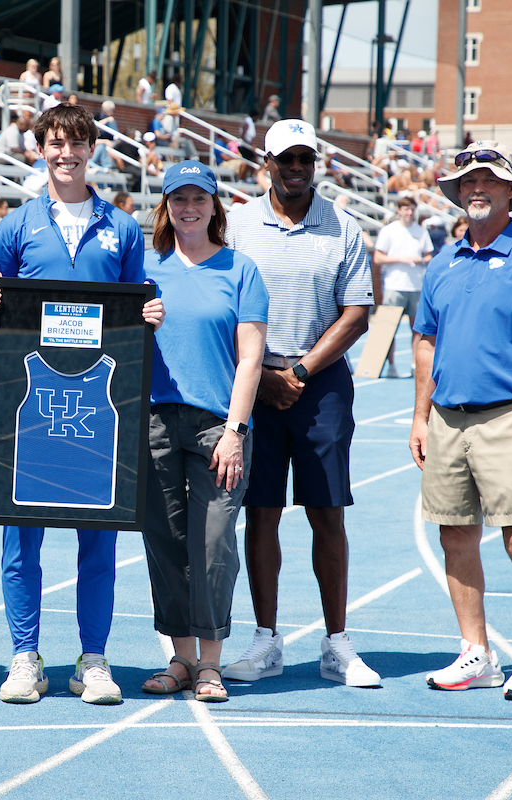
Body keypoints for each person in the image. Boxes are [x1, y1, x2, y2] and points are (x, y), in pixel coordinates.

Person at [0, 104, 164, 705]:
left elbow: (139, 303)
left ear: (93, 150)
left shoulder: (123, 227)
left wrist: (150, 314)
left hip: (97, 407)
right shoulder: (15, 226)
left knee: (99, 535)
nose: (67, 154)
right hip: (32, 406)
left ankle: (93, 660)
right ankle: (25, 656)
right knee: (22, 536)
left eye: (77, 144)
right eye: (56, 144)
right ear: (40, 149)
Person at [222, 119, 381, 689]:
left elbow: (358, 313)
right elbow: (223, 305)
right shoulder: (236, 223)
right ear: (265, 162)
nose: (295, 170)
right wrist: (263, 376)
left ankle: (337, 643)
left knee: (326, 512)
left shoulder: (343, 226)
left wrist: (299, 371)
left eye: (304, 161)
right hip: (253, 384)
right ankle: (266, 641)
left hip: (320, 386)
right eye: (285, 160)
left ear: (316, 164)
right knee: (260, 512)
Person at [410, 141, 512, 701]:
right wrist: (420, 417)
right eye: (467, 183)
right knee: (455, 536)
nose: (476, 189)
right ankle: (475, 652)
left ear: (509, 192)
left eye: (488, 181)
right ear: (457, 195)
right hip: (448, 420)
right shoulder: (441, 263)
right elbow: (425, 344)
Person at [139, 162, 267, 703]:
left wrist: (236, 430)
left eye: (199, 198)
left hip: (220, 426)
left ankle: (211, 661)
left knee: (214, 542)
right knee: (165, 542)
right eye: (179, 198)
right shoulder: (145, 269)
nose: (189, 207)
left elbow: (251, 357)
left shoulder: (241, 269)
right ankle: (181, 658)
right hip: (155, 423)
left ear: (216, 206)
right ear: (165, 206)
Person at [373, 196, 434, 378]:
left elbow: (429, 255)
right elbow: (377, 258)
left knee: (417, 329)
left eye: (412, 209)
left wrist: (422, 260)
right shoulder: (389, 231)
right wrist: (402, 259)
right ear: (399, 210)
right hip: (394, 285)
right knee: (388, 328)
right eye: (406, 209)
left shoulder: (421, 231)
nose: (409, 213)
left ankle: (415, 365)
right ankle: (391, 366)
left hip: (416, 286)